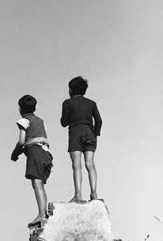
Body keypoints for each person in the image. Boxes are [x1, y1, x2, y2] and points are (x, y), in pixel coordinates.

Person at [11, 94, 53, 227]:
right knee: (39, 184)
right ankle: (44, 213)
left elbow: (22, 141)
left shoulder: (24, 121)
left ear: (20, 109)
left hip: (35, 153)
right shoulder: (41, 121)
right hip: (46, 153)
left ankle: (41, 214)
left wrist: (15, 153)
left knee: (36, 184)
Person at [60, 76, 102, 202]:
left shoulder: (67, 103)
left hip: (75, 132)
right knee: (90, 163)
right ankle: (94, 194)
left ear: (71, 90)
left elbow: (64, 122)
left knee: (76, 165)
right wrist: (95, 134)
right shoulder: (92, 103)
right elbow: (99, 121)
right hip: (90, 132)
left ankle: (78, 195)